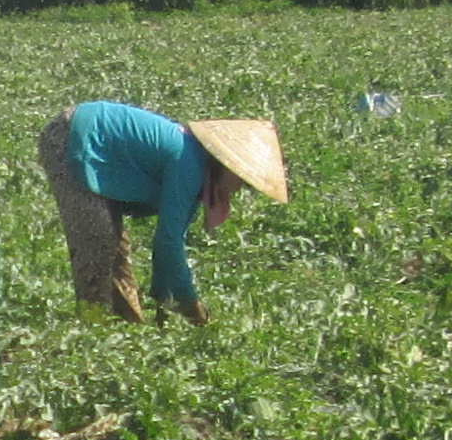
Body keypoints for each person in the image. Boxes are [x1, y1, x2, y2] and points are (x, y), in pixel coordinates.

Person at [32, 104, 289, 323]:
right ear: (226, 163)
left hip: (96, 141)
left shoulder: (198, 175)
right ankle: (92, 332)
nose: (240, 189)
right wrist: (191, 307)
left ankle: (126, 327)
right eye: (242, 180)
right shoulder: (188, 162)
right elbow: (168, 243)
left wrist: (162, 302)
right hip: (72, 136)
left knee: (117, 249)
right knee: (98, 241)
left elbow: (170, 246)